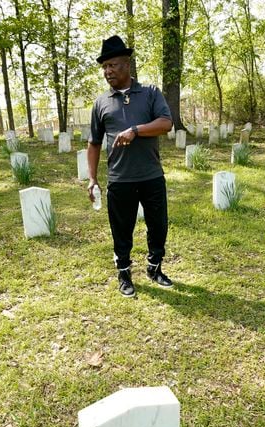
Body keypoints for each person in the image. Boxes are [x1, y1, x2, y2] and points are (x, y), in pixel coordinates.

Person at [87, 35, 174, 297]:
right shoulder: (101, 103)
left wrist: (135, 130)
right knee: (121, 230)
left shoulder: (150, 94)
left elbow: (166, 123)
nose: (107, 71)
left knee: (158, 225)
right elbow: (94, 143)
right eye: (104, 67)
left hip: (151, 176)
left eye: (112, 65)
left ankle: (154, 267)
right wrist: (92, 179)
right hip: (120, 179)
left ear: (127, 65)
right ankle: (124, 273)